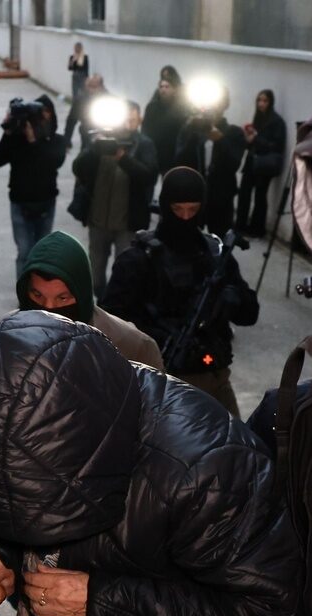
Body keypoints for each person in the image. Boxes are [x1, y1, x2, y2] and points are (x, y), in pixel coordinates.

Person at [0, 310, 303, 616]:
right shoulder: (62, 404)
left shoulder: (210, 475)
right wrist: (2, 550)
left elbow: (267, 612)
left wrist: (101, 602)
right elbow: (28, 492)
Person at [100, 166, 259, 417]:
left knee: (240, 442)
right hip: (159, 384)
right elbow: (109, 325)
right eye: (177, 209)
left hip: (214, 379)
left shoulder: (215, 255)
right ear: (165, 207)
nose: (185, 218)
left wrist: (232, 299)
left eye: (193, 210)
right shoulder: (138, 260)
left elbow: (250, 314)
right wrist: (154, 336)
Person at [16, 230, 163, 368]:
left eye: (62, 298)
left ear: (82, 295)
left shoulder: (130, 346)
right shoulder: (9, 336)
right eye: (38, 296)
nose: (48, 308)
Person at [72, 100, 158, 299]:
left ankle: (115, 310)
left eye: (132, 119)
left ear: (139, 120)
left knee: (124, 274)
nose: (128, 122)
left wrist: (123, 158)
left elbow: (149, 176)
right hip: (98, 221)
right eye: (125, 118)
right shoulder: (100, 141)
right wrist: (94, 148)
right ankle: (102, 302)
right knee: (95, 277)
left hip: (127, 224)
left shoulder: (144, 144)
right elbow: (78, 168)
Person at [0, 94, 66, 279]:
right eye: (41, 113)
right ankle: (24, 292)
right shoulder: (17, 139)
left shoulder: (57, 141)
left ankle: (38, 289)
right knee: (24, 251)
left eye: (47, 112)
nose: (43, 117)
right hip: (20, 203)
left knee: (41, 252)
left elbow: (54, 162)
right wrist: (8, 133)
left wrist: (34, 141)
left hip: (46, 203)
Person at [175, 87, 245, 236]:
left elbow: (234, 164)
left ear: (225, 104)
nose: (212, 107)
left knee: (221, 241)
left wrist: (220, 140)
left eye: (217, 102)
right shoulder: (191, 129)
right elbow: (179, 160)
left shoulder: (234, 133)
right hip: (193, 196)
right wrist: (191, 132)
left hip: (221, 198)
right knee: (187, 240)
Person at [236, 89, 287, 238]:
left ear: (270, 102)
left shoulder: (276, 121)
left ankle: (257, 228)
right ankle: (241, 225)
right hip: (252, 161)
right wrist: (248, 138)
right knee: (244, 193)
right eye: (259, 100)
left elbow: (277, 146)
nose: (261, 104)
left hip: (264, 164)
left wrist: (256, 138)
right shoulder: (258, 118)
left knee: (260, 196)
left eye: (265, 101)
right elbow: (253, 142)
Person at [142, 75, 188, 176]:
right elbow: (145, 129)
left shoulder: (181, 108)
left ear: (174, 90)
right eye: (161, 87)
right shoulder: (152, 107)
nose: (163, 89)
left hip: (173, 152)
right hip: (155, 151)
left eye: (167, 87)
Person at [63, 42, 89, 149]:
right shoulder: (72, 57)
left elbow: (84, 68)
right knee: (76, 96)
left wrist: (78, 60)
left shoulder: (85, 57)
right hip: (75, 78)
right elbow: (70, 68)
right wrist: (73, 60)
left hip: (82, 78)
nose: (77, 49)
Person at [76, 73, 108, 151]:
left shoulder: (107, 98)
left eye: (95, 86)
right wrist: (67, 140)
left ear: (101, 86)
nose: (92, 90)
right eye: (90, 86)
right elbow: (71, 119)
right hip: (87, 128)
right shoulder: (81, 98)